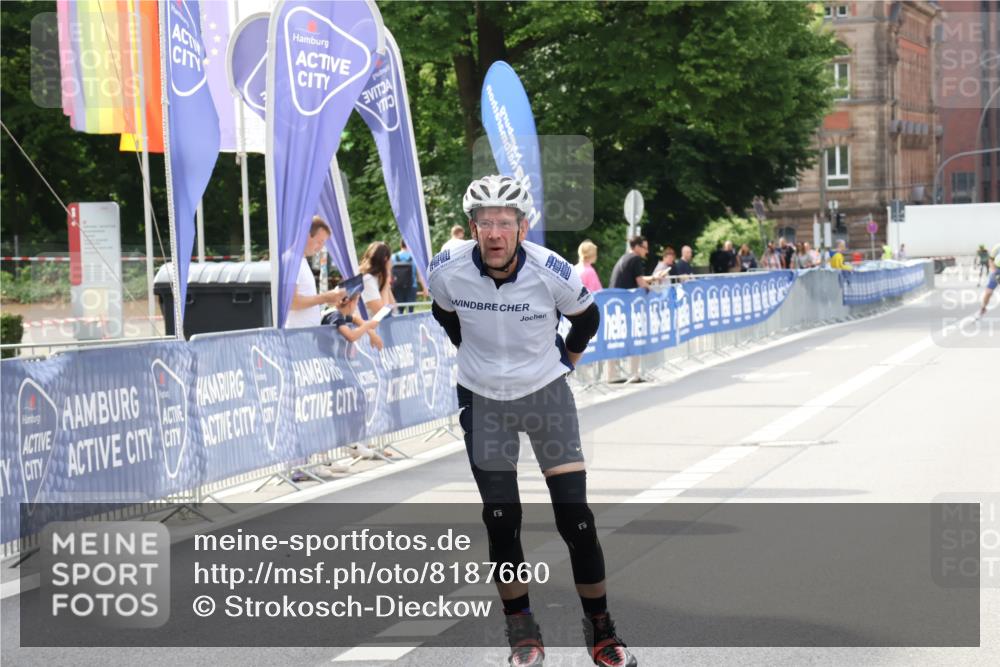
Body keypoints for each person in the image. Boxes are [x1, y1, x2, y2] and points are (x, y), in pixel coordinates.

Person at [428, 175, 638, 667]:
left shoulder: (552, 271)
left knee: (576, 519)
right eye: (485, 223)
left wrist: (567, 361)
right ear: (472, 228)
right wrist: (478, 357)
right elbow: (446, 315)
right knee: (501, 520)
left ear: (522, 228)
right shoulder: (446, 270)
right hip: (484, 400)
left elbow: (587, 319)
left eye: (505, 222)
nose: (494, 233)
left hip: (545, 395)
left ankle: (602, 632)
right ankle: (522, 634)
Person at [285, 217, 348, 328]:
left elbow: (303, 299)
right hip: (298, 333)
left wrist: (329, 299)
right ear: (305, 235)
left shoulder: (300, 260)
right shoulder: (291, 261)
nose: (321, 247)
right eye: (320, 242)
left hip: (304, 332)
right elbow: (292, 302)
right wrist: (325, 297)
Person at [359, 241, 396, 316]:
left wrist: (386, 281)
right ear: (386, 259)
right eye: (390, 260)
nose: (391, 263)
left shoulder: (378, 279)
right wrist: (386, 281)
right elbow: (382, 313)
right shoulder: (367, 280)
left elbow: (393, 307)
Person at [390, 238, 427, 314]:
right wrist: (425, 288)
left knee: (399, 311)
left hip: (397, 287)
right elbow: (419, 276)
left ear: (401, 245)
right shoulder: (415, 257)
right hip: (411, 287)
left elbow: (389, 274)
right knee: (410, 312)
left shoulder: (393, 257)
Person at [976, 243, 1000, 319]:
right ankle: (983, 308)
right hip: (997, 270)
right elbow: (991, 260)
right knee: (988, 292)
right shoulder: (997, 247)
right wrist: (994, 271)